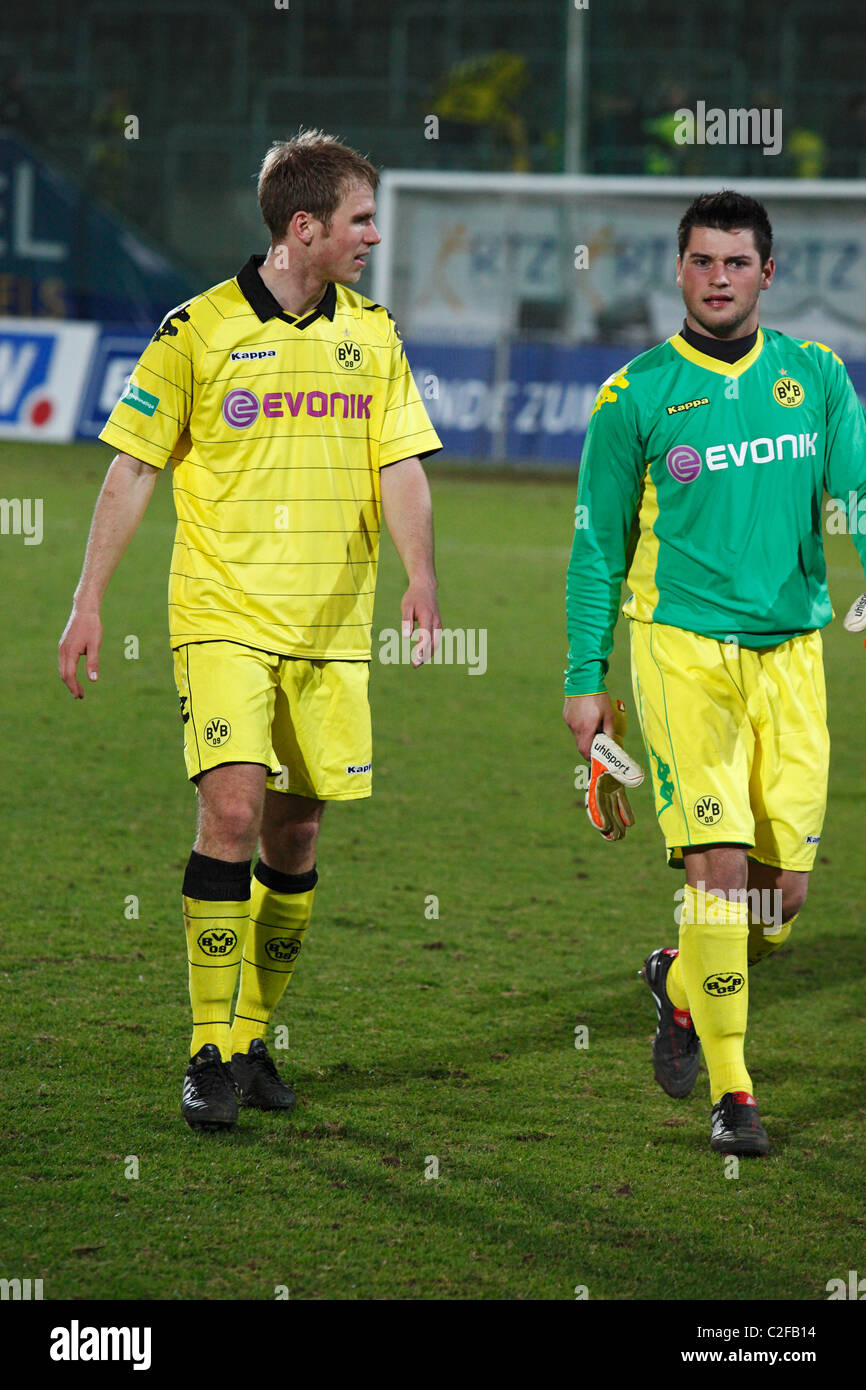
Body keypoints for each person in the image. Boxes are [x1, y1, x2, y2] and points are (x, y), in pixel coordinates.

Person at [59, 130, 442, 1131]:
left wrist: (421, 575)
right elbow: (135, 465)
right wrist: (88, 597)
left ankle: (251, 1034)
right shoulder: (197, 330)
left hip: (331, 627)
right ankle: (205, 1046)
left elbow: (399, 463)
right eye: (359, 218)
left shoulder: (375, 334)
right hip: (222, 617)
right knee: (230, 814)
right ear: (303, 227)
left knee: (298, 832)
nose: (372, 234)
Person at [562, 190, 866, 1156]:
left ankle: (680, 982)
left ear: (768, 275)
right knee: (722, 875)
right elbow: (596, 551)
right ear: (680, 270)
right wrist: (585, 676)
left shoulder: (816, 376)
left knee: (781, 902)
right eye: (702, 261)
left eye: (738, 263)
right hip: (680, 652)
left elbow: (858, 493)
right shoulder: (636, 394)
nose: (719, 278)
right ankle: (734, 1094)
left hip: (792, 655)